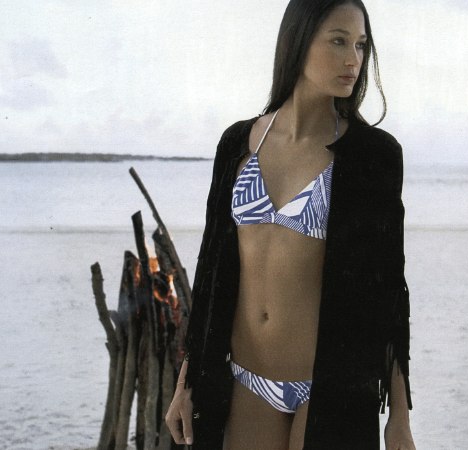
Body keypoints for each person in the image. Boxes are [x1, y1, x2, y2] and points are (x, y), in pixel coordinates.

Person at [165, 1, 415, 449]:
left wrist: (399, 416)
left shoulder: (372, 155)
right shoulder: (237, 143)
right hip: (245, 382)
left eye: (361, 45)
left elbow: (389, 293)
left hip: (330, 390)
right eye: (338, 41)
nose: (353, 60)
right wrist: (186, 383)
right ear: (297, 42)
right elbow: (211, 274)